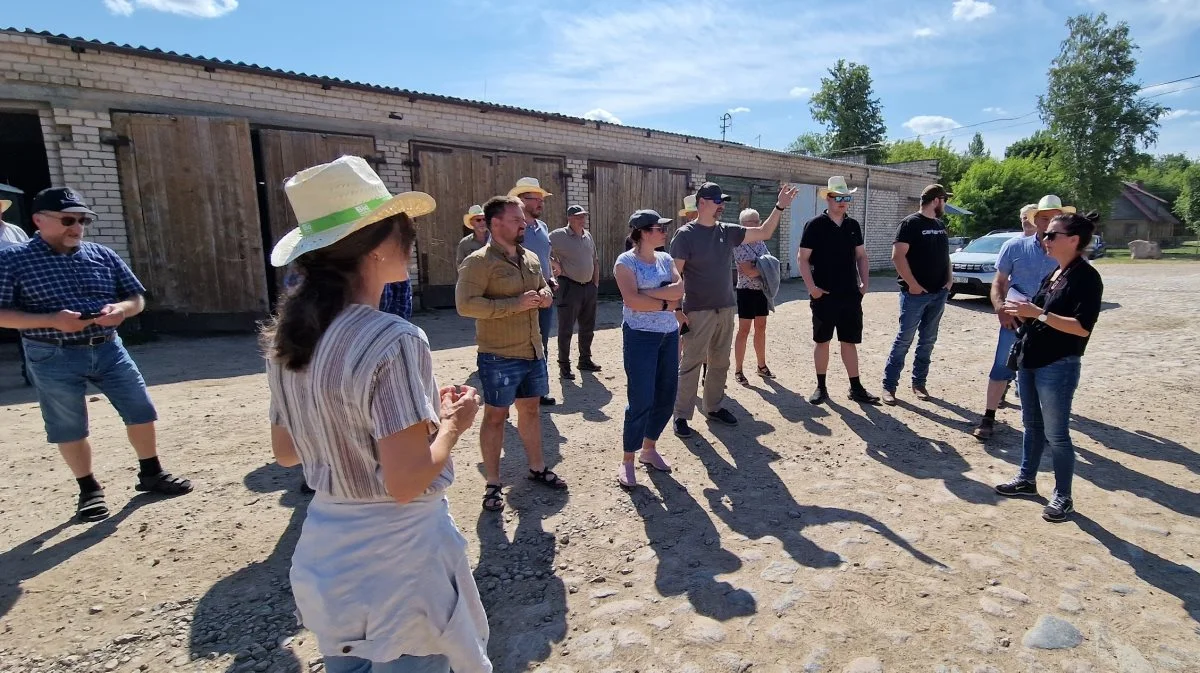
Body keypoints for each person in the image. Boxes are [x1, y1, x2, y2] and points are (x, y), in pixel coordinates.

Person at [261, 155, 491, 673]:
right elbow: (406, 480)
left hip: (328, 555)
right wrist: (453, 424)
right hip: (399, 560)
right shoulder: (393, 338)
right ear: (382, 245)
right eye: (404, 231)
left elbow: (285, 450)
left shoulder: (287, 335)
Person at [0, 187, 192, 522]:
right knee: (69, 425)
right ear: (39, 221)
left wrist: (121, 310)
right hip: (51, 353)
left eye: (82, 220)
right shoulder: (12, 260)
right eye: (68, 220)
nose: (77, 227)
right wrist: (51, 321)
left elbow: (136, 298)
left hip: (107, 346)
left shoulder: (101, 254)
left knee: (141, 409)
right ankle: (89, 490)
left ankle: (151, 473)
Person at [456, 195, 567, 512]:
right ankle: (493, 483)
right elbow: (465, 305)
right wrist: (514, 305)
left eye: (524, 219)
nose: (524, 224)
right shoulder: (478, 262)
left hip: (532, 350)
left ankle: (537, 468)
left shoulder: (530, 257)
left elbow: (544, 284)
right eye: (517, 220)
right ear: (495, 224)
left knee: (531, 411)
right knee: (496, 416)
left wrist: (546, 295)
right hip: (498, 355)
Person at [994, 210, 1103, 523]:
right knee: (1032, 425)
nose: (1044, 239)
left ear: (1073, 240)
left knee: (1057, 435)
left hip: (1058, 364)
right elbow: (1040, 311)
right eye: (1045, 234)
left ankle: (1063, 496)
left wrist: (1037, 313)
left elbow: (1082, 327)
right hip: (1032, 358)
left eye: (1051, 235)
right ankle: (1027, 479)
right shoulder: (1055, 272)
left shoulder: (1086, 277)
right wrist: (1021, 313)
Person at [671, 181, 798, 437]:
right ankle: (682, 415)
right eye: (718, 201)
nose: (722, 206)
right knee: (691, 362)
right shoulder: (685, 235)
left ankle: (714, 407)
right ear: (702, 203)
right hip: (698, 310)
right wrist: (676, 309)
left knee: (720, 362)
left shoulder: (727, 231)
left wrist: (780, 206)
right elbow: (675, 274)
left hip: (726, 308)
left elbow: (763, 232)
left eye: (723, 201)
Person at [973, 197, 1062, 440]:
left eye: (1054, 218)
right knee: (1002, 366)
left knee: (1046, 372)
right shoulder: (1014, 247)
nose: (1049, 224)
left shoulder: (1068, 252)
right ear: (1037, 220)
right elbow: (999, 282)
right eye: (1044, 218)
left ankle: (1042, 425)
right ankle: (988, 417)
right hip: (1015, 320)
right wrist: (1000, 307)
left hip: (1050, 322)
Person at [613, 210, 682, 488]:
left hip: (668, 335)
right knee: (641, 398)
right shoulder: (625, 262)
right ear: (642, 232)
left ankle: (649, 449)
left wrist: (648, 295)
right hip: (640, 336)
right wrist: (666, 302)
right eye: (659, 227)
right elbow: (631, 301)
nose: (665, 231)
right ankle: (628, 459)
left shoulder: (665, 258)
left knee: (666, 395)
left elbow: (680, 290)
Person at [798, 176, 880, 405]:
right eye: (838, 197)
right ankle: (821, 387)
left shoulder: (853, 225)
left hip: (850, 294)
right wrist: (812, 288)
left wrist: (865, 283)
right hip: (824, 294)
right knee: (822, 341)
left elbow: (861, 256)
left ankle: (856, 388)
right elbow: (802, 259)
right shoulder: (814, 225)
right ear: (829, 199)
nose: (843, 202)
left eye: (846, 197)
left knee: (849, 341)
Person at [881, 184, 953, 404]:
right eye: (945, 200)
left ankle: (919, 383)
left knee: (928, 340)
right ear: (937, 200)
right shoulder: (910, 223)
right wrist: (912, 284)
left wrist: (949, 279)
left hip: (938, 293)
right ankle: (889, 386)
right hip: (915, 295)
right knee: (904, 339)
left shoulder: (940, 225)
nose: (945, 205)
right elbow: (898, 256)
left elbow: (945, 255)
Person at [508, 177, 558, 406]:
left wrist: (551, 278)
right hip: (519, 297)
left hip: (544, 295)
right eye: (534, 199)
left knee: (541, 343)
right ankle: (515, 392)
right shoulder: (509, 229)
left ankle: (538, 390)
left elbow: (545, 258)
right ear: (520, 200)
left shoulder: (543, 227)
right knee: (517, 343)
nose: (540, 203)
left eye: (541, 200)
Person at [549, 204, 601, 380]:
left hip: (588, 288)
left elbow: (595, 260)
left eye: (583, 216)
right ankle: (564, 366)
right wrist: (554, 265)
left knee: (588, 327)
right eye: (578, 217)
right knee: (566, 329)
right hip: (569, 287)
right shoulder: (558, 236)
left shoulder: (587, 236)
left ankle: (585, 360)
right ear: (569, 219)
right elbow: (542, 251)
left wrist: (595, 283)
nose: (582, 219)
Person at [731, 208, 780, 385]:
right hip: (746, 291)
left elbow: (770, 264)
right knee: (743, 330)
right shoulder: (739, 244)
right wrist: (764, 267)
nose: (759, 225)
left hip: (761, 291)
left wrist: (759, 265)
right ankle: (738, 369)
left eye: (759, 221)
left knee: (761, 327)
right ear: (745, 225)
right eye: (755, 222)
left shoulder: (760, 242)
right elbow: (748, 271)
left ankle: (761, 365)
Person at [1, 198, 32, 385]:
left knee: (25, 330)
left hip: (18, 290)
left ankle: (30, 373)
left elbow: (29, 256)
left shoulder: (14, 231)